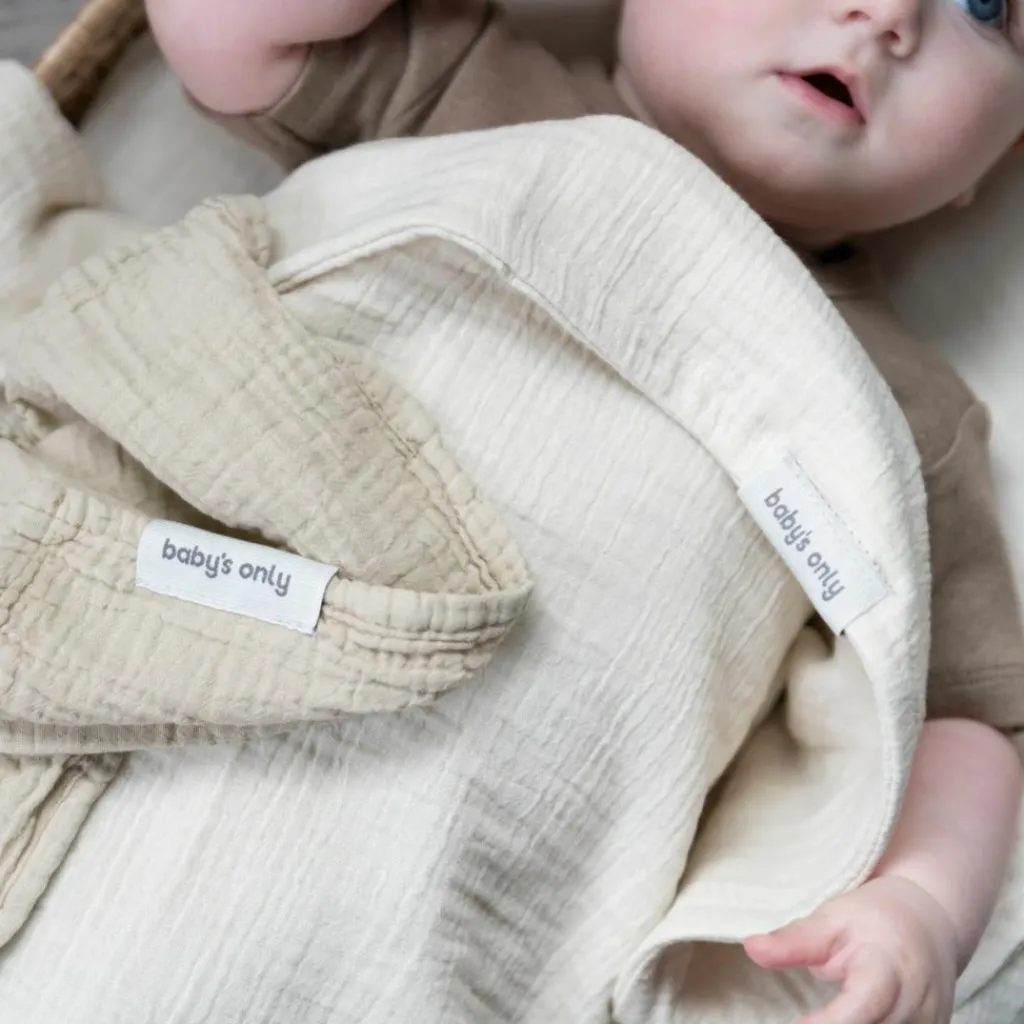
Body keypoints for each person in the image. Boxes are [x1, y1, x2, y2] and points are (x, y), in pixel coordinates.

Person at [145, 0, 1024, 1018]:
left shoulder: (898, 414)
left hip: (497, 846)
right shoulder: (465, 88)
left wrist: (922, 900)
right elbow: (220, 32)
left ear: (995, 161)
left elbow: (964, 713)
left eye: (984, 6)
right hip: (206, 657)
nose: (888, 14)